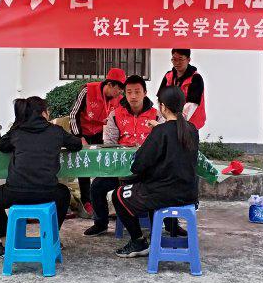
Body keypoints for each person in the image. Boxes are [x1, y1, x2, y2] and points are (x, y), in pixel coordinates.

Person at [0, 96, 82, 257]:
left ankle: (6, 243)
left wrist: (17, 126)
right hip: (47, 192)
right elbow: (77, 144)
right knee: (64, 193)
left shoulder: (17, 132)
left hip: (15, 192)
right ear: (44, 113)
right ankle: (52, 238)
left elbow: (2, 146)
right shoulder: (56, 131)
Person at [111, 86, 199, 258]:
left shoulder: (160, 131)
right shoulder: (192, 130)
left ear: (163, 107)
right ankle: (155, 236)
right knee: (147, 188)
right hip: (189, 193)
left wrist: (156, 132)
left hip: (164, 193)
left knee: (118, 195)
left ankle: (138, 241)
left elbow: (138, 165)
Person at [83, 74, 162, 237]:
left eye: (137, 92)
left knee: (162, 188)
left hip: (148, 173)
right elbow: (109, 144)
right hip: (121, 173)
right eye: (129, 92)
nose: (133, 96)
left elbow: (163, 144)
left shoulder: (156, 116)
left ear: (145, 93)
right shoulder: (115, 115)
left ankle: (166, 226)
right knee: (96, 186)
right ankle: (100, 223)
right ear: (124, 93)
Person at [69, 67, 126, 216]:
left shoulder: (119, 99)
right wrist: (78, 137)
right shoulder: (87, 90)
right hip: (83, 131)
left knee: (103, 162)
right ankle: (86, 200)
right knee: (84, 165)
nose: (120, 93)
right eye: (118, 89)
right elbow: (73, 114)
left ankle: (100, 198)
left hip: (101, 132)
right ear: (110, 84)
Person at [158, 49, 206, 130]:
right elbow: (160, 99)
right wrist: (162, 120)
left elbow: (192, 105)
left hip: (190, 124)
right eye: (174, 59)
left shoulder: (196, 78)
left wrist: (177, 122)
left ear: (188, 60)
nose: (177, 63)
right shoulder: (168, 75)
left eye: (180, 59)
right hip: (169, 121)